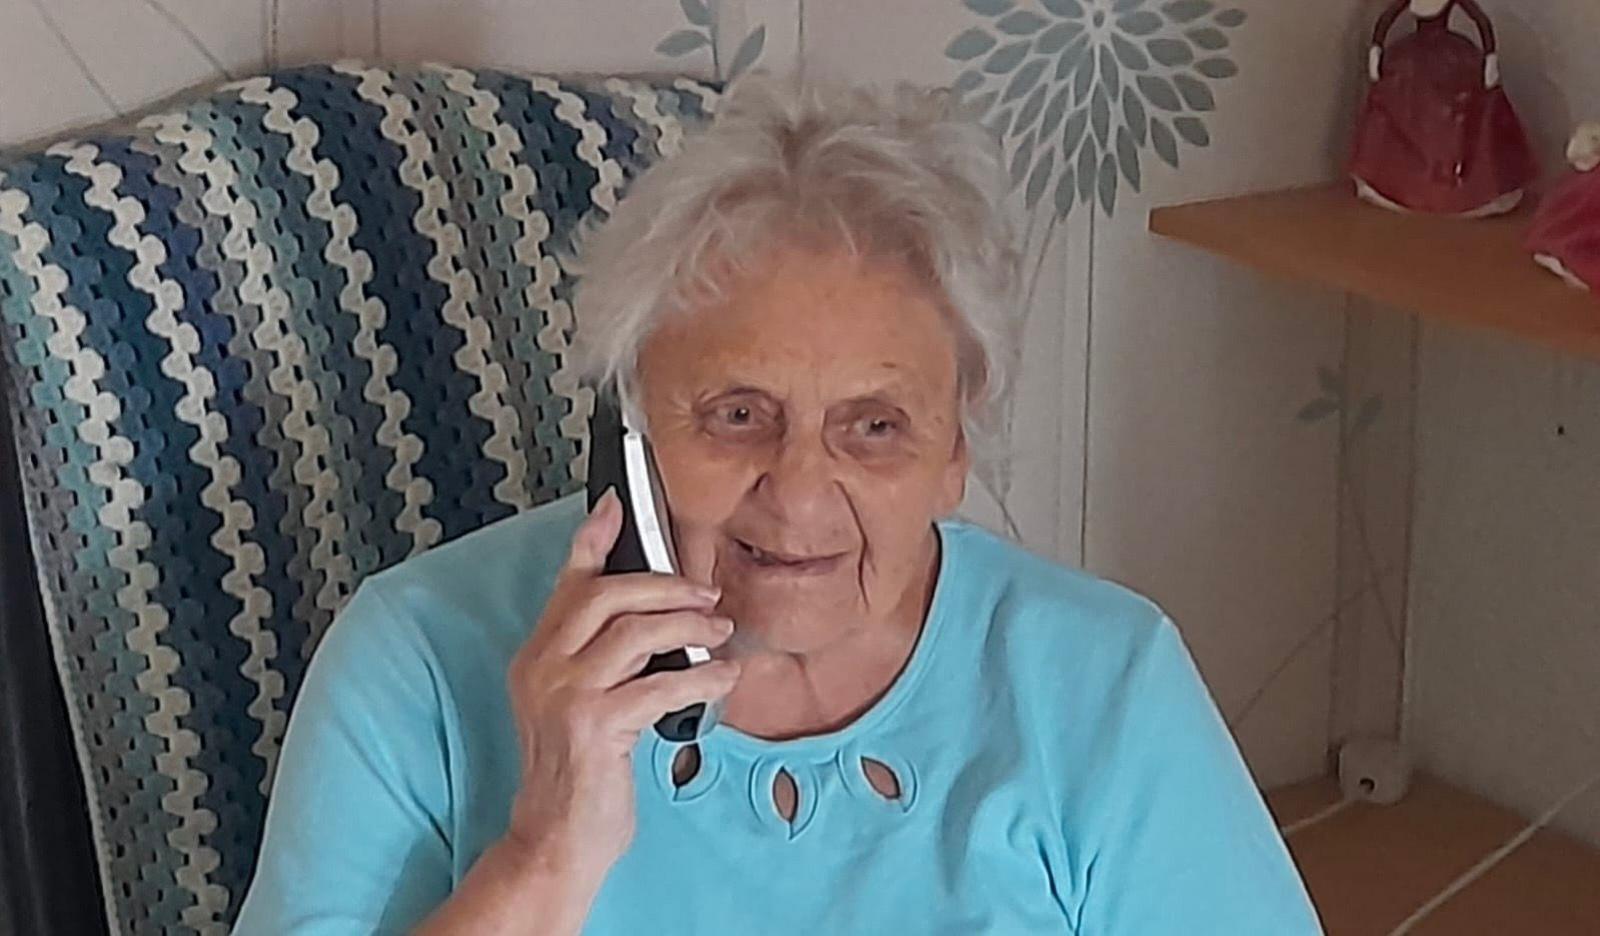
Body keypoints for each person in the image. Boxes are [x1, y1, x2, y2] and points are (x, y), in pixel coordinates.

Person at [234, 78, 1322, 935]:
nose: (799, 493)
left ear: (956, 446)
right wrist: (545, 856)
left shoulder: (1102, 681)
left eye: (875, 426)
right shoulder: (414, 658)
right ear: (627, 426)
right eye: (738, 414)